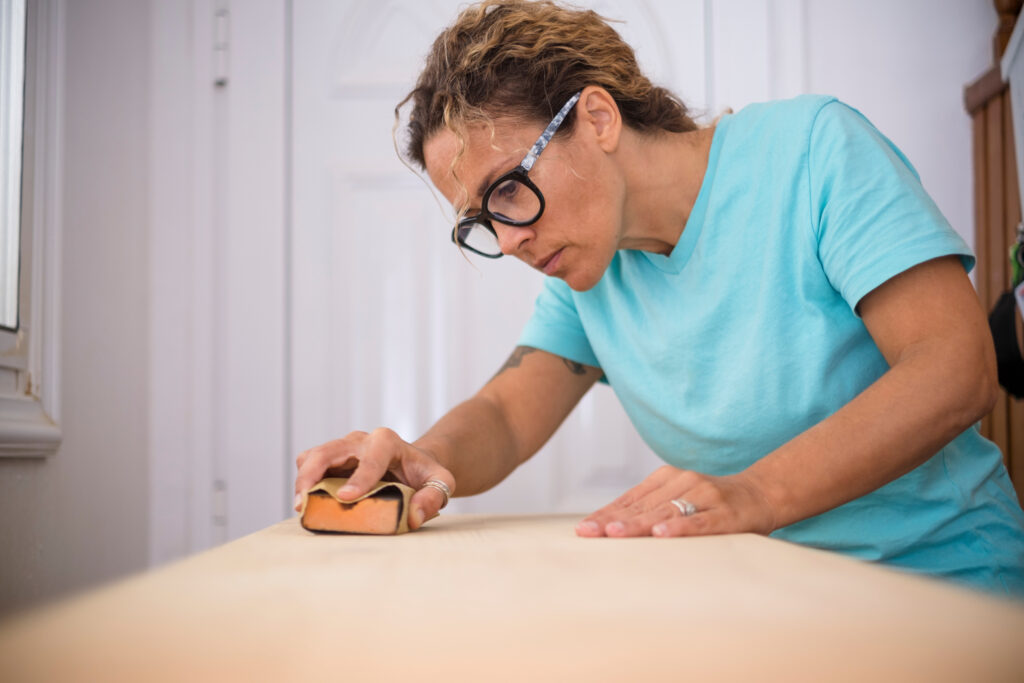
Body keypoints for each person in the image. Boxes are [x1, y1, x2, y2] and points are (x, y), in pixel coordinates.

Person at [293, 0, 1024, 596]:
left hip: (946, 586)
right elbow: (506, 415)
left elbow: (956, 367)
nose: (508, 241)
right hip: (772, 598)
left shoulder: (812, 151)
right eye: (482, 222)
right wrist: (425, 456)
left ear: (599, 119)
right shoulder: (591, 264)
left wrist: (756, 494)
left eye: (506, 191)